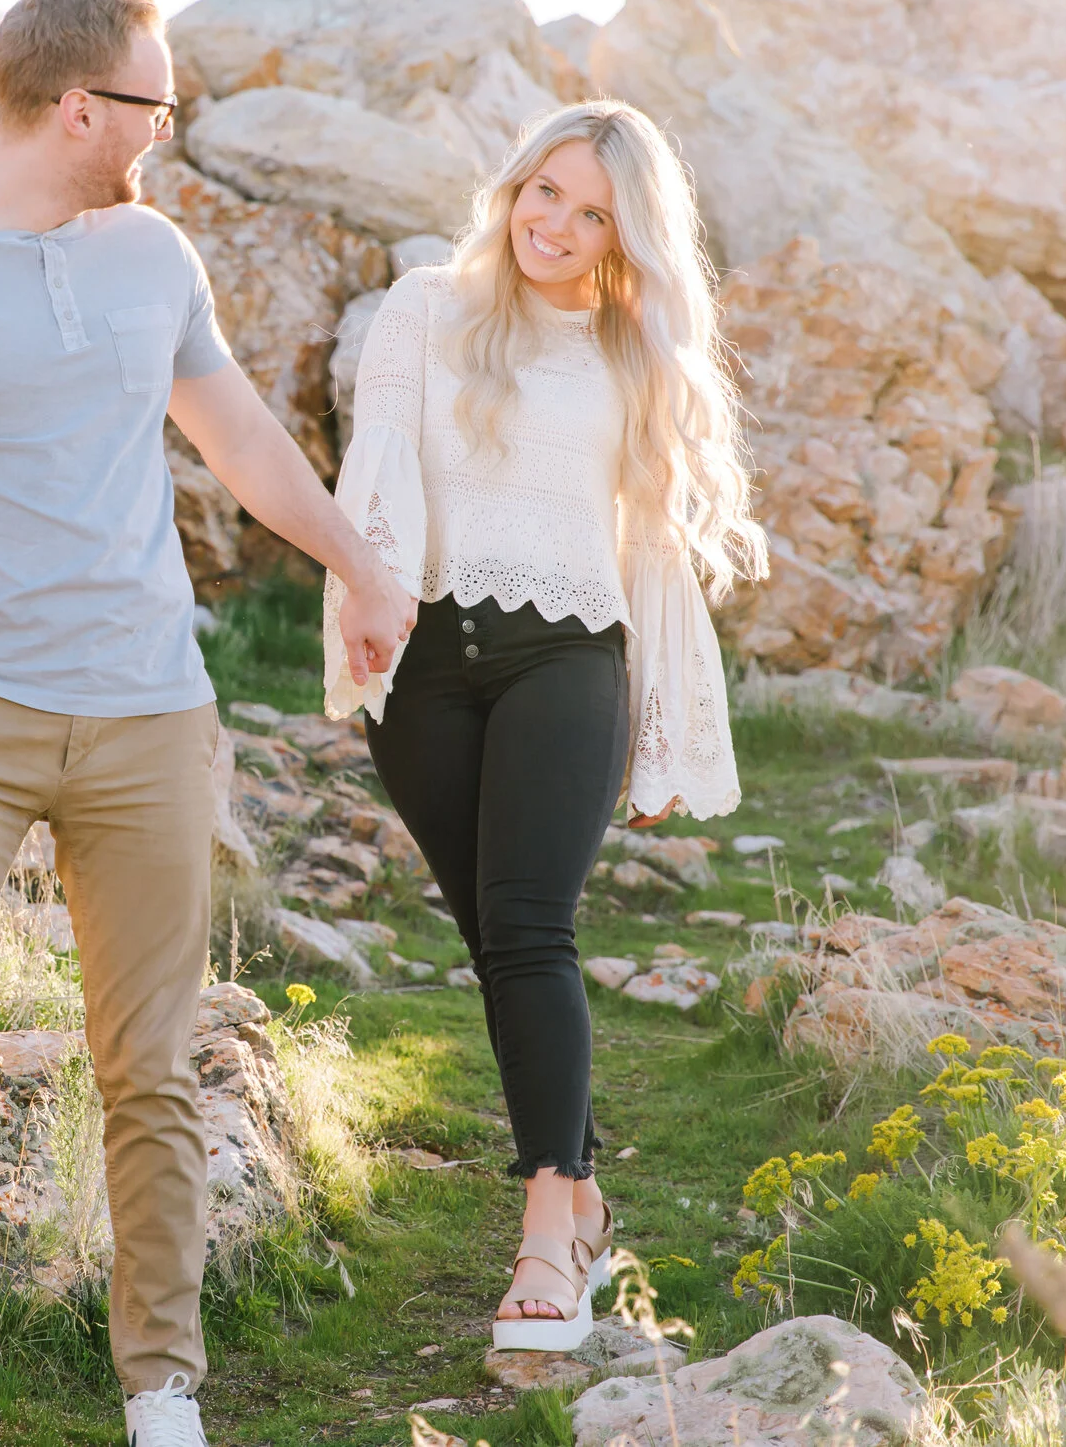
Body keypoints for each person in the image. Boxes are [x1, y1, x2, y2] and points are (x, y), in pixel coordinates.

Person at [0, 0, 414, 1447]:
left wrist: (360, 565)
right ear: (78, 110)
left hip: (149, 716)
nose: (164, 130)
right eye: (153, 107)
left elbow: (239, 435)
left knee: (154, 1063)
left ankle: (161, 1386)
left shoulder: (153, 254)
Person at [321, 101, 765, 1352]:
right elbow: (378, 466)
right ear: (513, 186)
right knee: (493, 939)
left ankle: (543, 1242)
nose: (555, 226)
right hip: (422, 662)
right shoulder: (422, 308)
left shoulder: (633, 354)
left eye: (593, 214)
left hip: (565, 660)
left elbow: (655, 556)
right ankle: (581, 1195)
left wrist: (665, 731)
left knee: (527, 930)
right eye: (545, 192)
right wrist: (363, 601)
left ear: (628, 237)